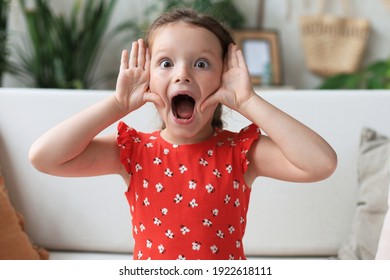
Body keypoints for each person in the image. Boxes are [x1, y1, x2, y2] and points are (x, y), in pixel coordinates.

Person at [29, 8, 337, 260]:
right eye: (165, 63)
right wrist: (117, 105)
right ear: (148, 79)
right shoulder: (133, 151)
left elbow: (321, 163)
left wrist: (247, 101)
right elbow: (44, 158)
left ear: (224, 78)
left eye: (201, 63)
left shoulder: (241, 153)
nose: (182, 74)